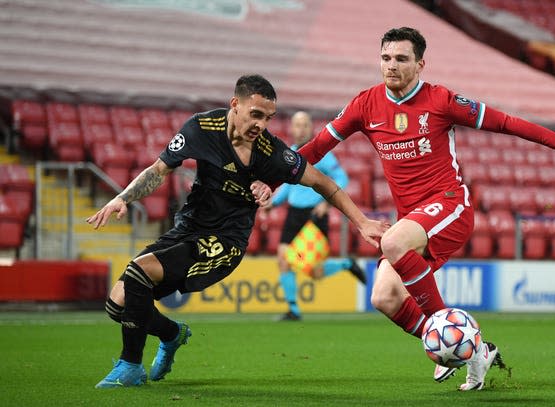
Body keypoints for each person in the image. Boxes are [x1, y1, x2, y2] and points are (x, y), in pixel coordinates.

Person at [297, 27, 555, 391]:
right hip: (414, 220)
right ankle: (474, 352)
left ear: (420, 64)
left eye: (401, 59)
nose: (391, 66)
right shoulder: (365, 105)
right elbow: (317, 147)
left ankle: (448, 329)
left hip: (450, 206)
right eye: (386, 58)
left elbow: (507, 123)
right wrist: (269, 178)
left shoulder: (441, 100)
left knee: (393, 242)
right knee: (383, 296)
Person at [86, 74, 388, 388]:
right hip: (187, 229)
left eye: (268, 118)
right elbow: (159, 169)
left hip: (226, 241)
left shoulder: (272, 153)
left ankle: (130, 367)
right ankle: (172, 334)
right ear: (235, 105)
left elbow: (324, 183)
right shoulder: (201, 129)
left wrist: (361, 221)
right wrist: (123, 197)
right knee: (117, 304)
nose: (261, 124)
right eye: (255, 114)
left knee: (138, 270)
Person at [270, 111, 367, 321]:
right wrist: (274, 203)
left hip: (314, 215)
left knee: (315, 272)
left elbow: (341, 178)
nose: (301, 129)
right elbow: (288, 185)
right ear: (292, 129)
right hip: (293, 213)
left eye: (305, 125)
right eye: (297, 125)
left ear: (311, 128)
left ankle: (346, 264)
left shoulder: (320, 154)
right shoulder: (290, 154)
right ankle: (293, 310)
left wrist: (326, 202)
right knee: (283, 259)